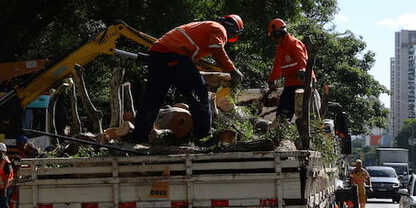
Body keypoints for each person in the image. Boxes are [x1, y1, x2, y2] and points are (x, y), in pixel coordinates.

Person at [132, 15, 245, 144]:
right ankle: (203, 138)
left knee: (152, 98)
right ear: (233, 30)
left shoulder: (203, 27)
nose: (228, 38)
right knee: (200, 95)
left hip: (157, 54)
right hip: (175, 54)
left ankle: (139, 137)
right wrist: (232, 70)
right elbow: (216, 48)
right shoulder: (219, 29)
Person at [267, 18, 310, 121]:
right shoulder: (281, 48)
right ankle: (279, 132)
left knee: (305, 114)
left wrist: (302, 70)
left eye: (273, 36)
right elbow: (277, 66)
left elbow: (302, 60)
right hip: (290, 84)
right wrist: (272, 79)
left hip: (303, 83)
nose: (273, 40)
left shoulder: (293, 43)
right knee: (283, 113)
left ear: (278, 33)